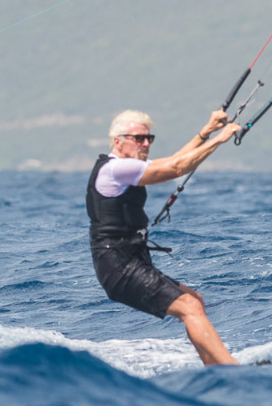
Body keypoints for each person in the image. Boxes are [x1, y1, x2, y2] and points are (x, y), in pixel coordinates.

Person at [87, 108, 240, 366]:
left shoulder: (125, 167)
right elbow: (177, 167)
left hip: (131, 260)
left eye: (149, 138)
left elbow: (174, 160)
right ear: (118, 141)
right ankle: (232, 369)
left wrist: (205, 132)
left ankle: (214, 368)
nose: (146, 144)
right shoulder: (116, 169)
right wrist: (220, 139)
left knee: (194, 301)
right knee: (189, 307)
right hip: (118, 266)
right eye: (138, 138)